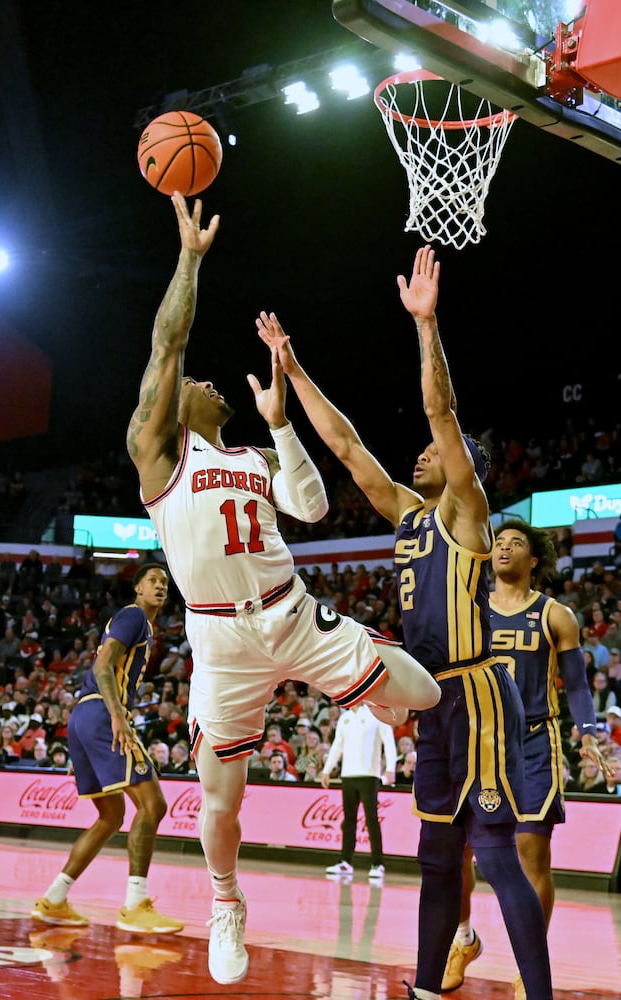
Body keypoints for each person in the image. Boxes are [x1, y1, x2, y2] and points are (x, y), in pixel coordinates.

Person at [126, 194, 440, 987]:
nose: (202, 380)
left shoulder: (253, 460)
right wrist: (190, 259)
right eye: (195, 382)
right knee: (220, 803)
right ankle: (226, 900)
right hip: (220, 642)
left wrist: (280, 424)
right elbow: (169, 344)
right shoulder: (159, 456)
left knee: (423, 694)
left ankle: (361, 681)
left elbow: (313, 505)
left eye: (204, 379)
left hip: (292, 614)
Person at [256, 244, 553, 999]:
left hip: (480, 690)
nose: (418, 456)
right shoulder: (406, 514)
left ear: (460, 468)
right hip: (429, 696)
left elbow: (440, 411)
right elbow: (347, 446)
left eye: (431, 454)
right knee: (433, 853)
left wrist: (425, 326)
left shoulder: (465, 508)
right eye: (419, 454)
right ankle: (426, 988)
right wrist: (293, 375)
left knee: (493, 850)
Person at [442, 520, 612, 992]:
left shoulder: (556, 615)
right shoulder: (470, 610)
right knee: (456, 851)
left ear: (533, 559)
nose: (504, 548)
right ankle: (463, 938)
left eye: (516, 543)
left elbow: (576, 685)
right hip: (477, 740)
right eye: (499, 542)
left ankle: (528, 966)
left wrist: (589, 734)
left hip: (534, 740)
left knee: (533, 855)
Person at [32, 563, 183, 934]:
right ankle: (134, 905)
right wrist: (117, 716)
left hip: (84, 717)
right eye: (153, 581)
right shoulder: (133, 617)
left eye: (164, 583)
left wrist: (89, 737)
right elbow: (102, 667)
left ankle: (54, 898)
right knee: (153, 804)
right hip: (102, 712)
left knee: (111, 816)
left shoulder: (139, 623)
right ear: (137, 590)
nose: (161, 587)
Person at [320, 701, 397, 880]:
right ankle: (345, 861)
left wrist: (390, 768)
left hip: (369, 775)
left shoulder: (377, 713)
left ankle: (378, 864)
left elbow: (389, 741)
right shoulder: (345, 718)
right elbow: (337, 745)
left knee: (371, 820)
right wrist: (326, 769)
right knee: (348, 821)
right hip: (348, 775)